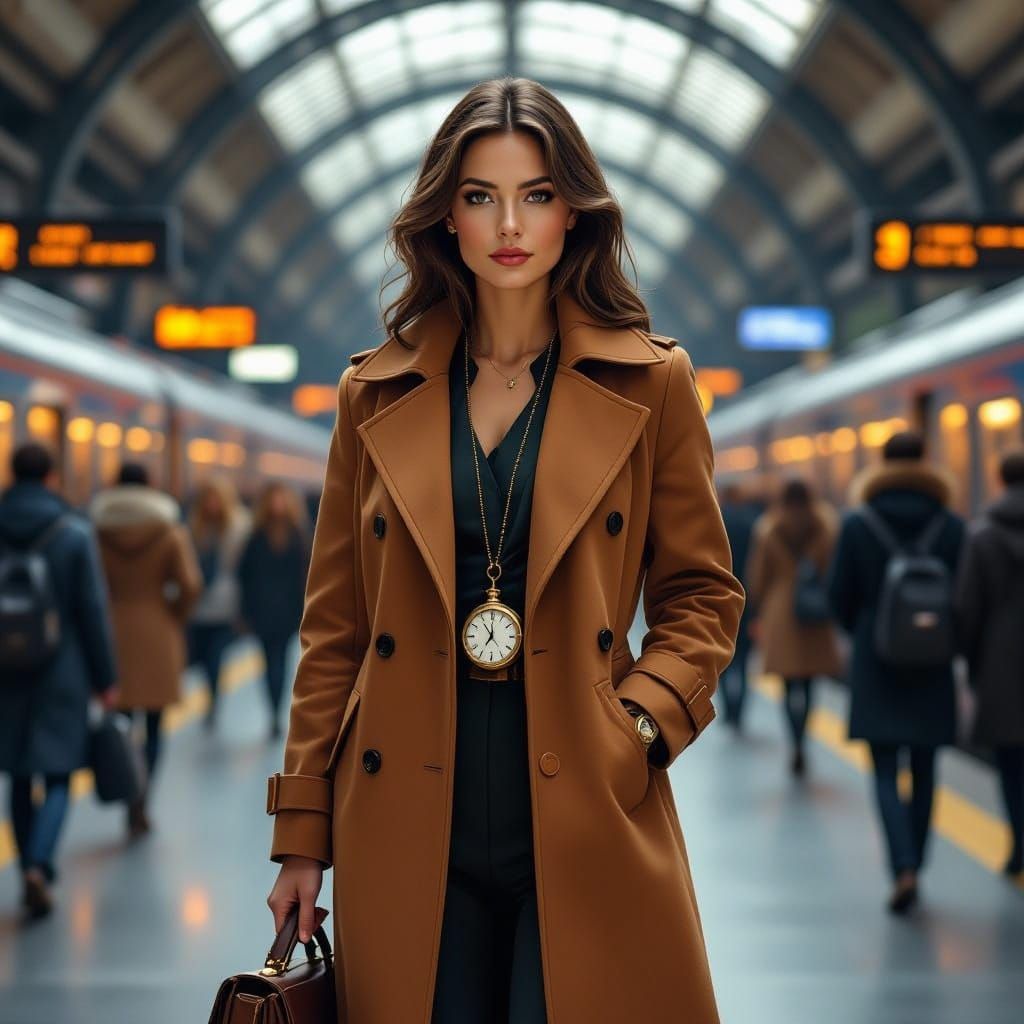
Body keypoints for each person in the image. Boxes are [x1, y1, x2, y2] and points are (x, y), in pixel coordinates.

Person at [265, 78, 744, 1024]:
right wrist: (300, 838)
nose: (509, 223)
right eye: (481, 196)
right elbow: (336, 631)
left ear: (575, 211)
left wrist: (641, 726)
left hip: (584, 799)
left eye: (536, 194)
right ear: (446, 216)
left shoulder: (653, 385)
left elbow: (701, 595)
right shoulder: (374, 394)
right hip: (405, 811)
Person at [827, 431, 963, 914]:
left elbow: (838, 596)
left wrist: (864, 628)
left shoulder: (859, 523)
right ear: (926, 462)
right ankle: (918, 863)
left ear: (880, 465)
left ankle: (901, 865)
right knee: (925, 767)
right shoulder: (950, 524)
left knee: (885, 768)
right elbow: (964, 598)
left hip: (876, 658)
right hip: (932, 660)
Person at [0, 443, 118, 919]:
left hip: (5, 669)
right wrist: (105, 678)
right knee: (59, 773)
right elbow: (91, 610)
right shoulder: (72, 531)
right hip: (61, 668)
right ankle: (40, 864)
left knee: (17, 773)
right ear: (51, 476)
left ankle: (28, 858)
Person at [90, 462, 203, 837]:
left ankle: (127, 797)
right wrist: (173, 616)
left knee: (120, 725)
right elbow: (189, 584)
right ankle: (142, 798)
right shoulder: (169, 529)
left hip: (111, 635)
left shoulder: (96, 530)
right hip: (157, 632)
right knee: (154, 728)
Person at [954, 448, 1024, 877]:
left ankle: (1019, 843)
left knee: (1012, 761)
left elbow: (968, 608)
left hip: (1001, 661)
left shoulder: (982, 536)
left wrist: (974, 662)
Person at [745, 479, 842, 776]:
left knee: (788, 686)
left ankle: (794, 741)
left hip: (781, 612)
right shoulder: (825, 528)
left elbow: (757, 577)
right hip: (813, 612)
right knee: (810, 683)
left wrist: (759, 606)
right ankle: (804, 739)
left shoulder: (768, 529)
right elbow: (833, 570)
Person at [238, 481, 310, 740]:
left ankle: (276, 713)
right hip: (263, 611)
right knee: (269, 662)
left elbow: (307, 575)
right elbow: (244, 576)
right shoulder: (256, 537)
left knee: (280, 661)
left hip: (289, 611)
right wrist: (246, 610)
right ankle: (274, 712)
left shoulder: (298, 535)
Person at [186, 476, 250, 729]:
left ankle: (213, 701)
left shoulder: (239, 526)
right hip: (199, 605)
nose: (212, 504)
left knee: (215, 657)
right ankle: (210, 696)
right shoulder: (194, 527)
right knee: (202, 658)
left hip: (226, 605)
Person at [717, 482, 761, 730]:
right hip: (748, 598)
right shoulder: (753, 523)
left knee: (723, 657)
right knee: (744, 659)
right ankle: (740, 710)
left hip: (721, 598)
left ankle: (728, 710)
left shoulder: (717, 521)